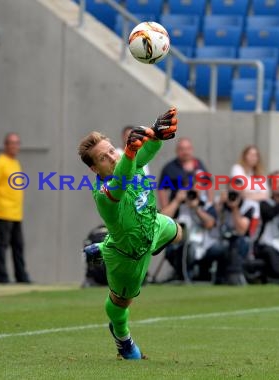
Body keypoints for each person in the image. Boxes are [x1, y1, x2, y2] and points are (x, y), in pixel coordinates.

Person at [77, 107, 182, 360]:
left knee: (179, 233)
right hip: (130, 255)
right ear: (94, 169)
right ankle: (123, 339)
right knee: (121, 303)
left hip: (153, 225)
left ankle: (103, 247)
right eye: (103, 158)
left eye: (112, 151)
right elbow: (122, 181)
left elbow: (147, 151)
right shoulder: (103, 194)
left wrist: (156, 135)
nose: (112, 158)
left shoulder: (128, 161)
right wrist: (132, 151)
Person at [0, 133, 31, 284]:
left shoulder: (15, 163)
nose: (15, 146)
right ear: (5, 145)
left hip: (16, 213)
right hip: (2, 212)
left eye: (17, 143)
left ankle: (21, 276)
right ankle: (2, 277)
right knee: (2, 246)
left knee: (18, 246)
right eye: (12, 143)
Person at [158, 137, 213, 210]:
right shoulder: (169, 168)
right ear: (176, 150)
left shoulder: (199, 164)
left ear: (192, 149)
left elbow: (209, 183)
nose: (185, 152)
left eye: (188, 149)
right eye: (182, 149)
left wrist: (209, 204)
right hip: (178, 209)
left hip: (200, 209)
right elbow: (162, 190)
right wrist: (166, 210)